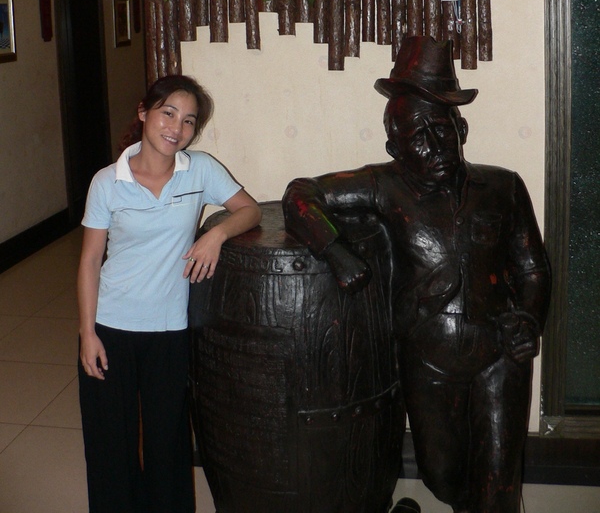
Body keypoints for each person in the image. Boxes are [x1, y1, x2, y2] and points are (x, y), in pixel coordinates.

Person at [283, 36, 551, 513]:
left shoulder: (504, 186)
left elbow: (532, 267)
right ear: (394, 146)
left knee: (498, 483)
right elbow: (300, 195)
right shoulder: (383, 186)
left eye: (442, 130)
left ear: (461, 127)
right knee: (441, 476)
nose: (433, 146)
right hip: (427, 360)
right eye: (416, 137)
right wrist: (336, 251)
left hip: (500, 353)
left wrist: (528, 319)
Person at [77, 74, 262, 513]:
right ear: (144, 112)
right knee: (110, 446)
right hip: (111, 325)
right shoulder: (107, 182)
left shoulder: (200, 170)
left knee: (169, 442)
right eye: (168, 113)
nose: (176, 129)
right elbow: (89, 262)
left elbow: (250, 209)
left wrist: (215, 235)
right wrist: (87, 333)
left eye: (188, 121)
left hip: (169, 328)